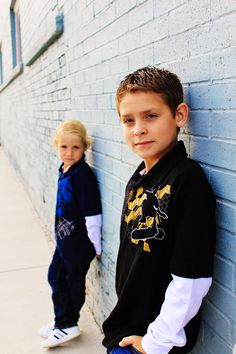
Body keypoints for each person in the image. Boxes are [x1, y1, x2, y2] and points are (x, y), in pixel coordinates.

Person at [102, 66, 216, 354]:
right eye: (128, 120)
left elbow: (192, 278)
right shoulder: (140, 175)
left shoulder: (187, 180)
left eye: (150, 116)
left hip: (153, 339)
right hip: (128, 325)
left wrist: (154, 343)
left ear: (179, 115)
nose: (139, 129)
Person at [40, 119, 102, 348]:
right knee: (55, 276)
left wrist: (96, 245)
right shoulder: (65, 169)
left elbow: (92, 213)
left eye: (76, 147)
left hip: (78, 243)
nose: (69, 152)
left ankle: (68, 324)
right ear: (57, 146)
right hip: (65, 240)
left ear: (84, 147)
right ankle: (61, 321)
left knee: (70, 281)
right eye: (64, 147)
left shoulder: (81, 175)